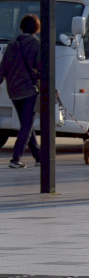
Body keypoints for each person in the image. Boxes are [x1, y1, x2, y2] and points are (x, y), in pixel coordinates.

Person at [0, 13, 43, 169]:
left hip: (13, 91)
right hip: (29, 90)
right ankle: (15, 159)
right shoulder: (36, 44)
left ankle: (38, 156)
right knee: (27, 125)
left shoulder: (12, 44)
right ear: (36, 28)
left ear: (21, 27)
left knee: (26, 124)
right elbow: (41, 67)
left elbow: (3, 68)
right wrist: (50, 88)